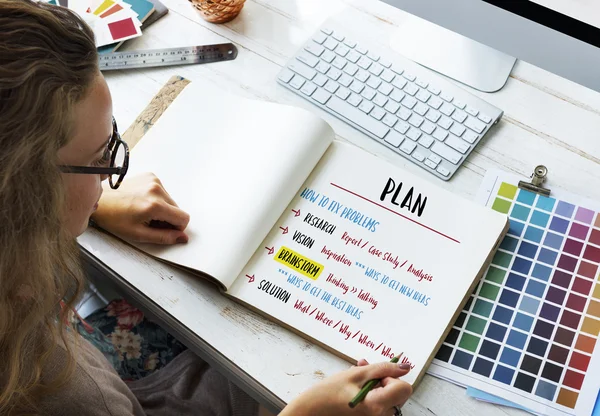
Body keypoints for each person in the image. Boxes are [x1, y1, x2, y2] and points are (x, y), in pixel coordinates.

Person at [0, 1, 413, 415]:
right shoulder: (73, 399)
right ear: (27, 196)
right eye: (96, 158)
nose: (110, 174)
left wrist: (94, 203)